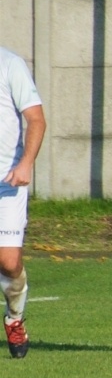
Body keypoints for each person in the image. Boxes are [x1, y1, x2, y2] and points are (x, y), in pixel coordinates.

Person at [0, 46, 44, 359]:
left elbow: (36, 119)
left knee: (9, 262)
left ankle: (14, 318)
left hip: (7, 182)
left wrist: (26, 162)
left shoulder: (10, 64)